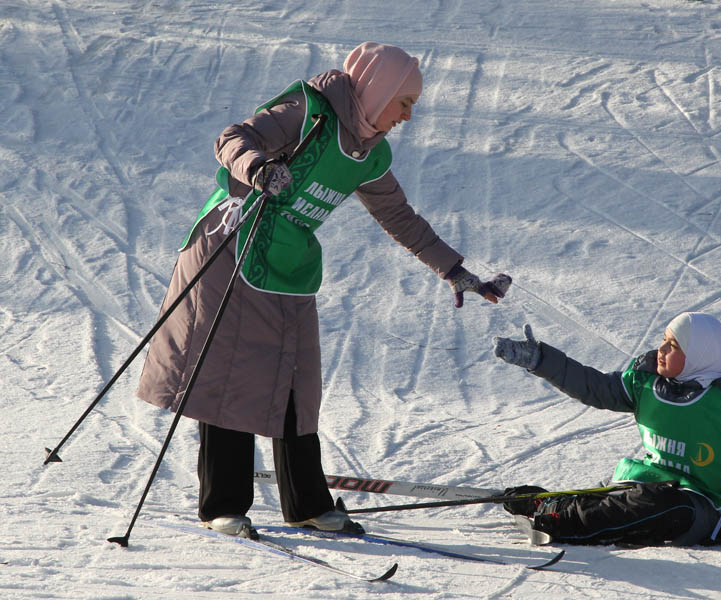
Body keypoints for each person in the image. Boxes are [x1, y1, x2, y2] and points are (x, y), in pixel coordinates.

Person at [136, 42, 510, 538]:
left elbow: (398, 216)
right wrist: (260, 168)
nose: (408, 115)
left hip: (286, 263)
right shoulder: (309, 112)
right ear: (379, 90)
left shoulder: (368, 151)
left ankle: (306, 503)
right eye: (405, 101)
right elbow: (232, 139)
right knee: (231, 374)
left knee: (296, 378)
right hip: (233, 249)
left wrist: (454, 271)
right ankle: (222, 505)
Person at [493, 312, 721, 548]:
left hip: (698, 507)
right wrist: (540, 360)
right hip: (645, 487)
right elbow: (596, 387)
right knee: (624, 500)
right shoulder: (648, 384)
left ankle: (564, 522)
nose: (661, 349)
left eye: (674, 345)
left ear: (701, 354)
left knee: (666, 505)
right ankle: (544, 503)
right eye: (664, 340)